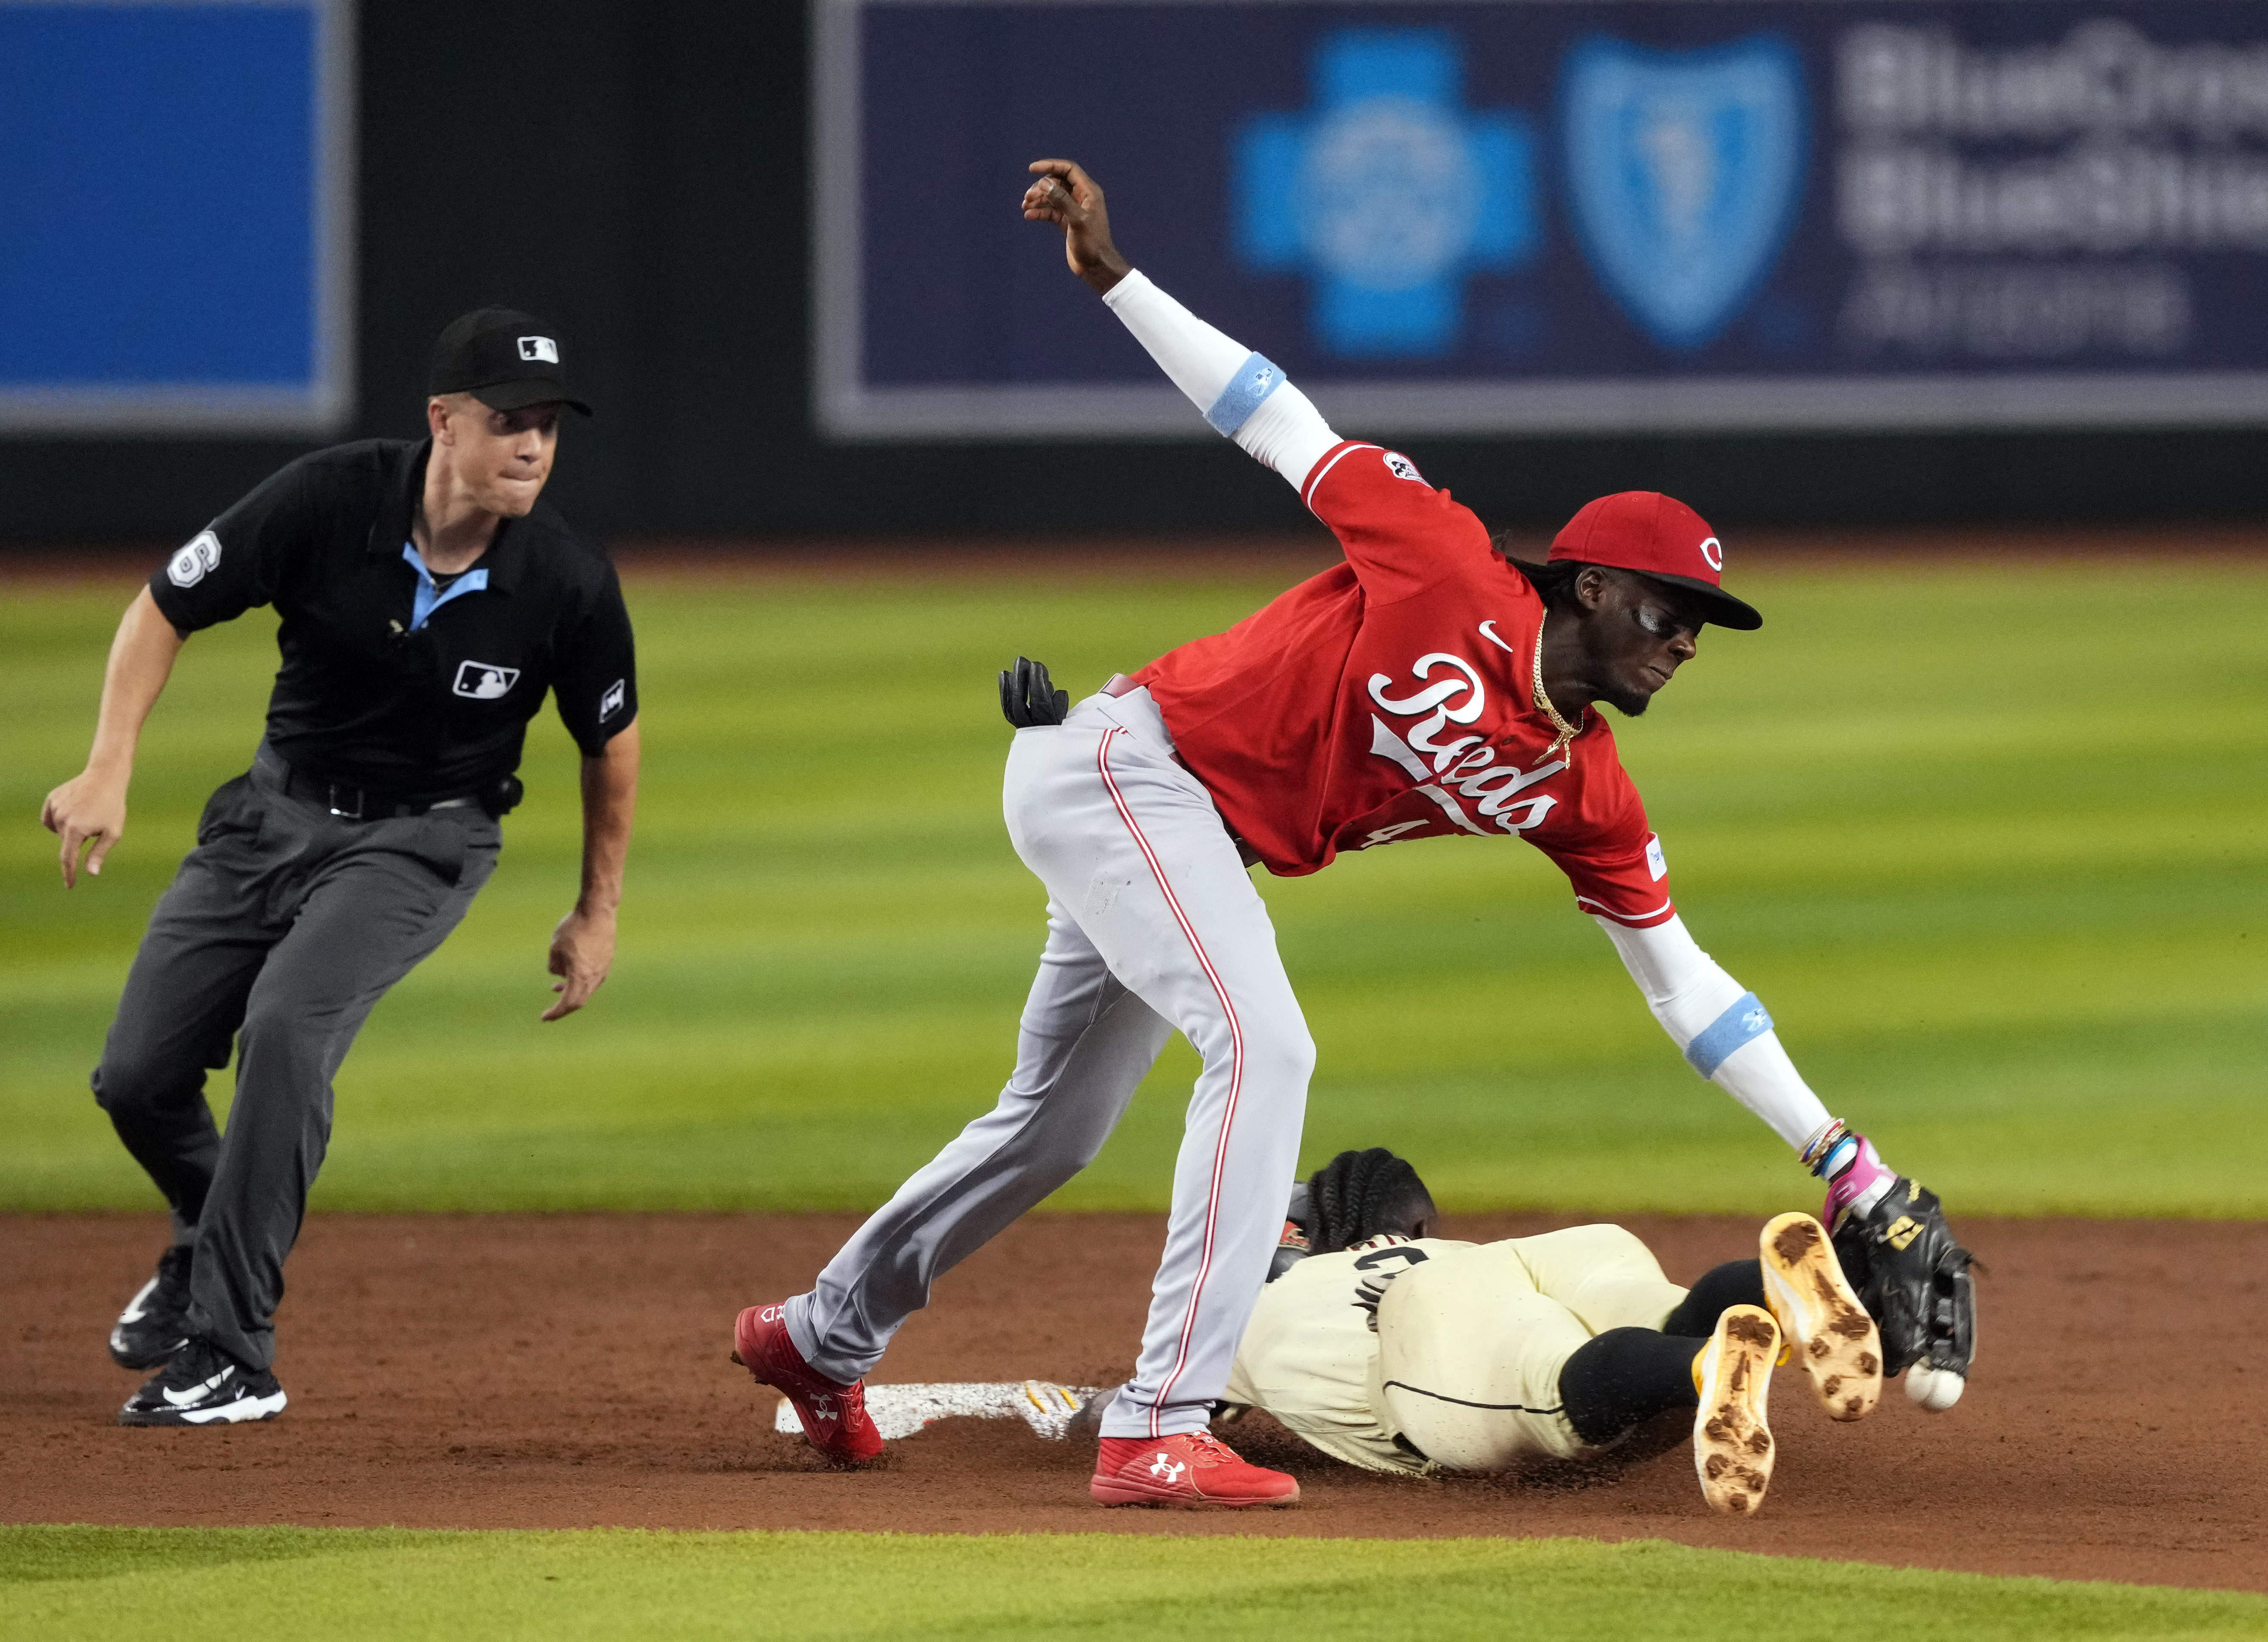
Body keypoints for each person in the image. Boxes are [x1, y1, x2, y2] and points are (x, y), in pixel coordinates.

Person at [731, 160, 1973, 1508]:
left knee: (1051, 1129)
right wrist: (1115, 279)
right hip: (1127, 766)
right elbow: (1271, 413)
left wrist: (1844, 1159)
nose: (1683, 641)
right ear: (1593, 583)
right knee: (1264, 1041)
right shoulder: (1446, 565)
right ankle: (1157, 1419)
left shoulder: (1586, 786)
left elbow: (1689, 988)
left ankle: (815, 1336)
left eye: (1702, 626)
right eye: (1668, 610)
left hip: (1179, 828)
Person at [40, 309, 641, 1427]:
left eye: (549, 427)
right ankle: (206, 1233)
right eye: (508, 420)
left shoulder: (565, 580)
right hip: (268, 814)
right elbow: (163, 604)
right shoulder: (326, 499)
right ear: (442, 422)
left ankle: (234, 1349)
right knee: (136, 1075)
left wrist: (595, 910)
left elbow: (610, 744)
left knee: (288, 1027)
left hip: (423, 841)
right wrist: (107, 765)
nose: (531, 447)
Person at [1180, 1148, 1882, 1516]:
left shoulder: (1246, 1312)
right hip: (1529, 1259)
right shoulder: (1438, 1248)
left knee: (1555, 1378)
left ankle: (1705, 1366)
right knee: (1657, 1310)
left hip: (1430, 1330)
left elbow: (1164, 1408)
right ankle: (1773, 1295)